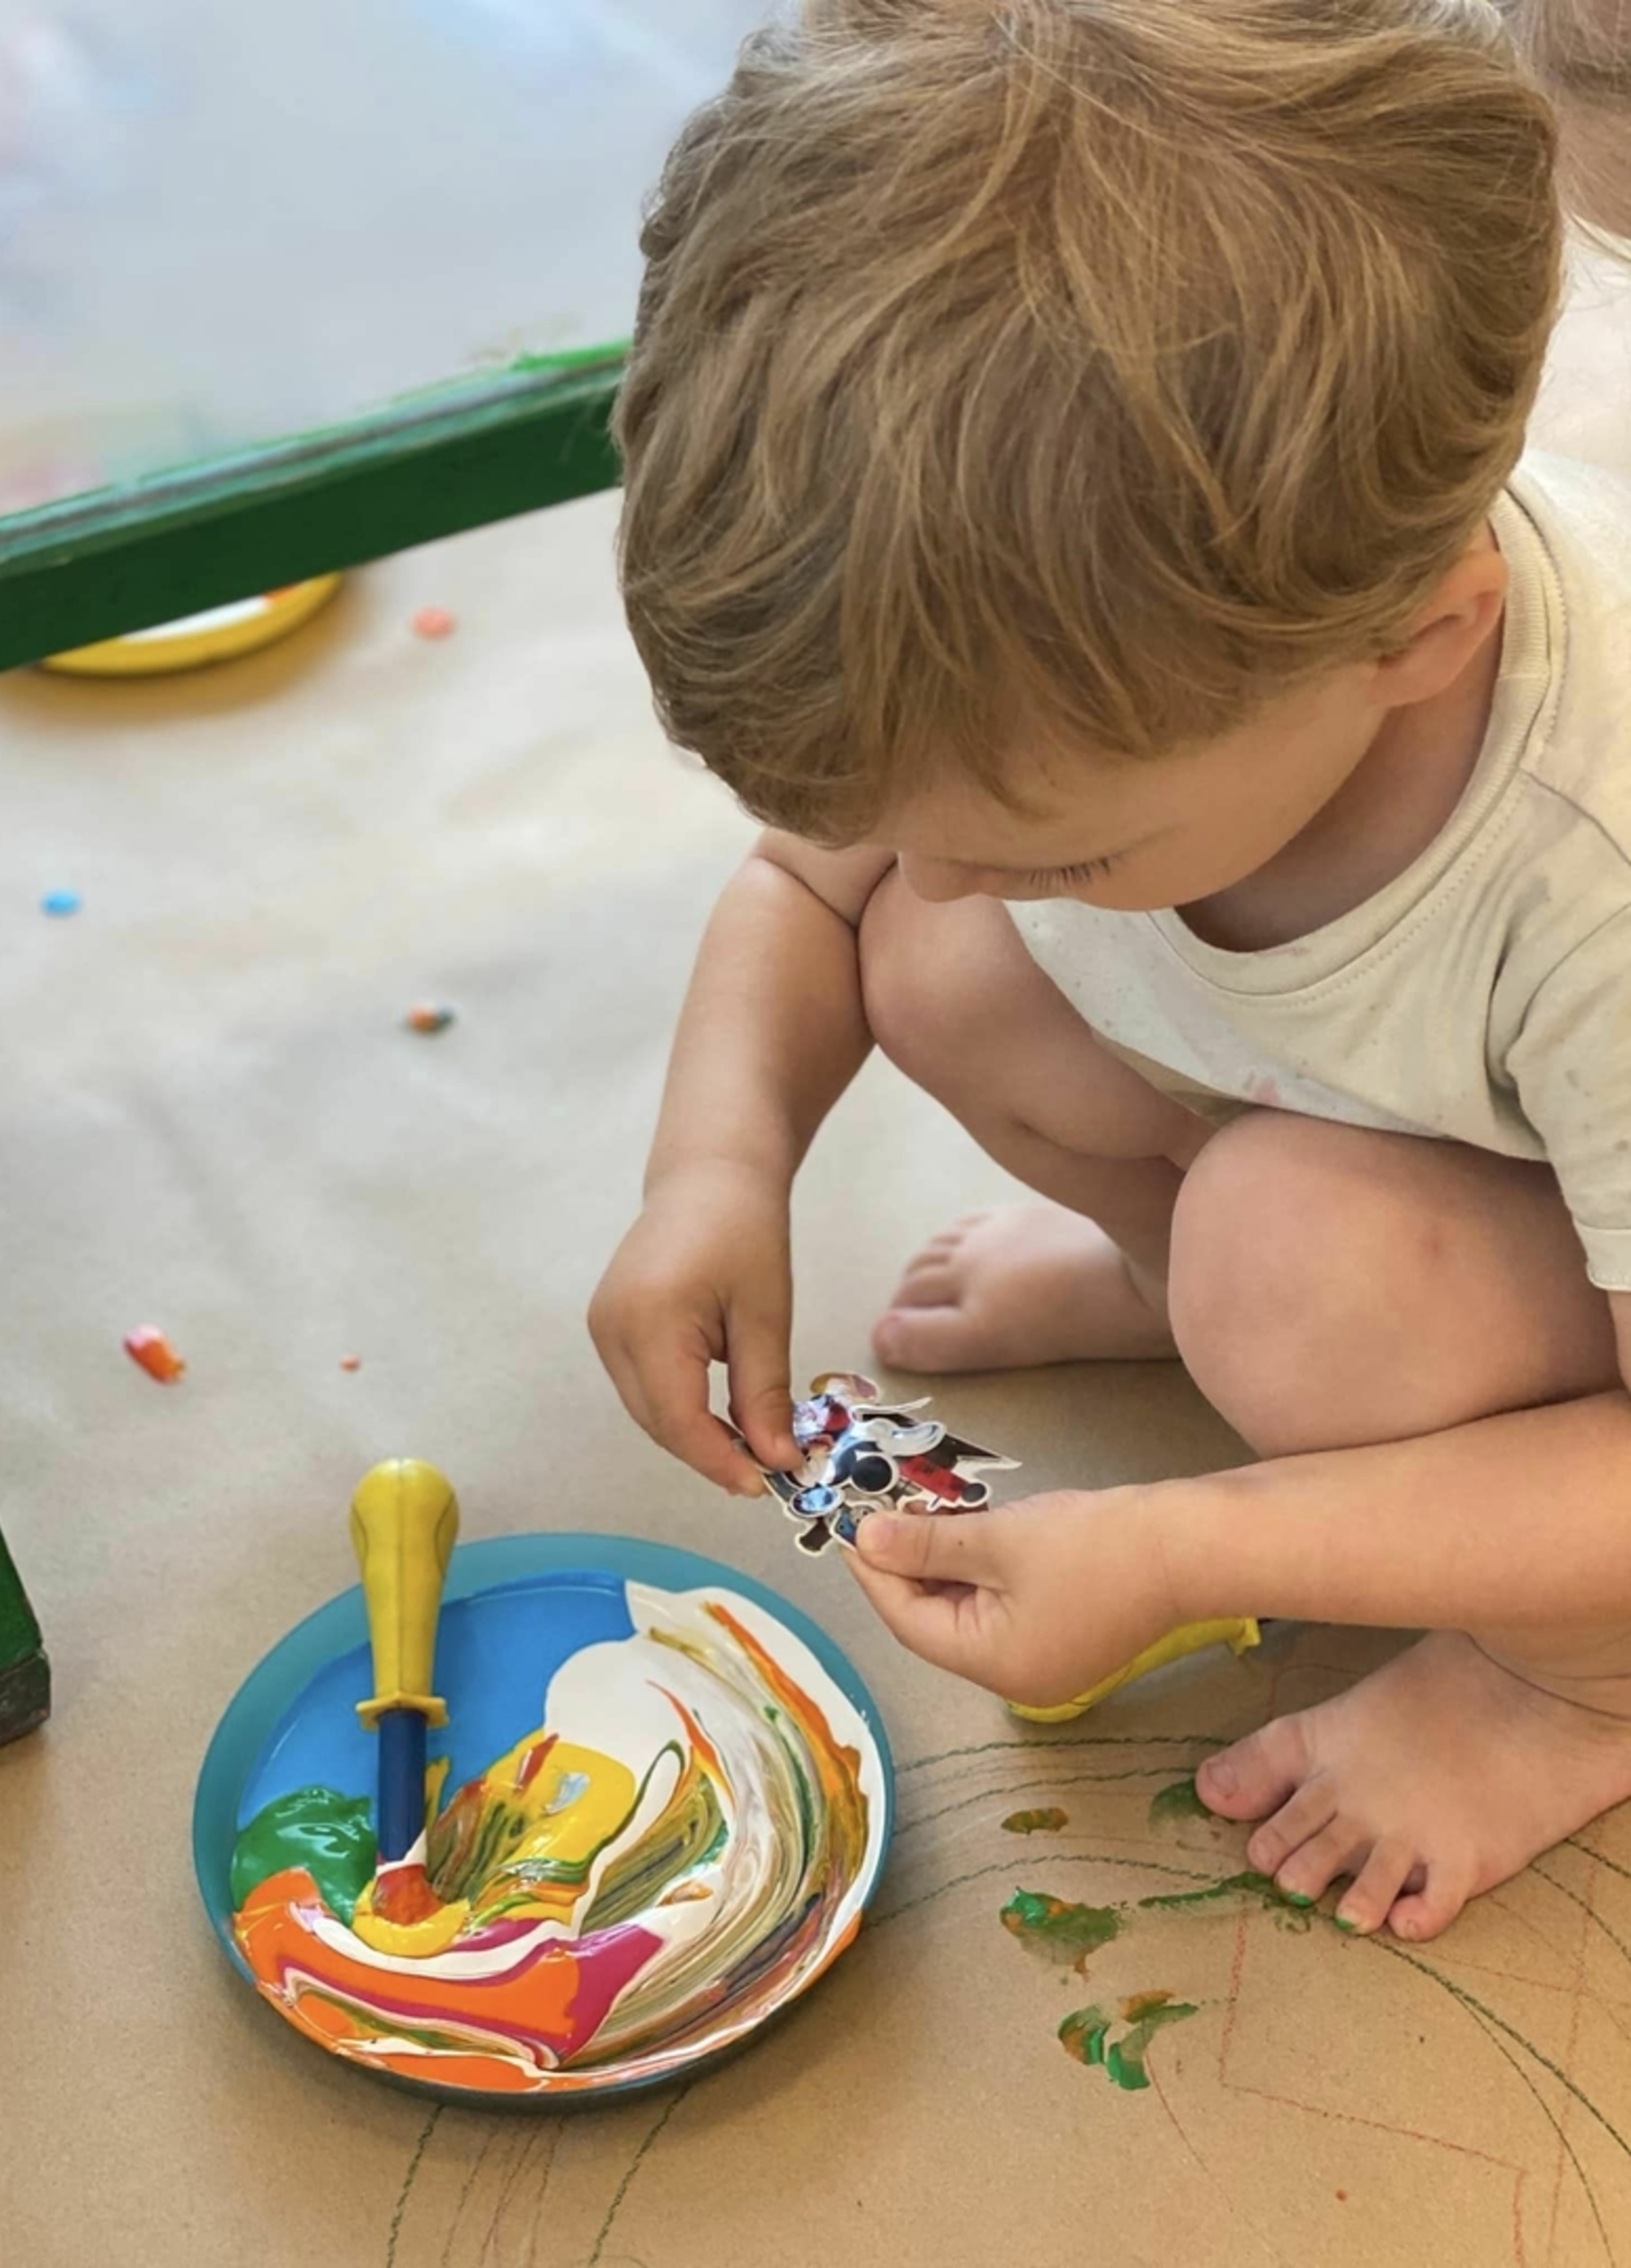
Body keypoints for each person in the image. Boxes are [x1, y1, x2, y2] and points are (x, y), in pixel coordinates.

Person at [588, 0, 1631, 1943]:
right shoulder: (1118, 661)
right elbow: (809, 885)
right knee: (936, 961)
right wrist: (713, 1169)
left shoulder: (1602, 872)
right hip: (1380, 1103)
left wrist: (1183, 1546)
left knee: (1295, 1269)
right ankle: (1175, 1284)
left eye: (1059, 847)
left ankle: (1573, 1692)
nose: (942, 872)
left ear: (1416, 642)